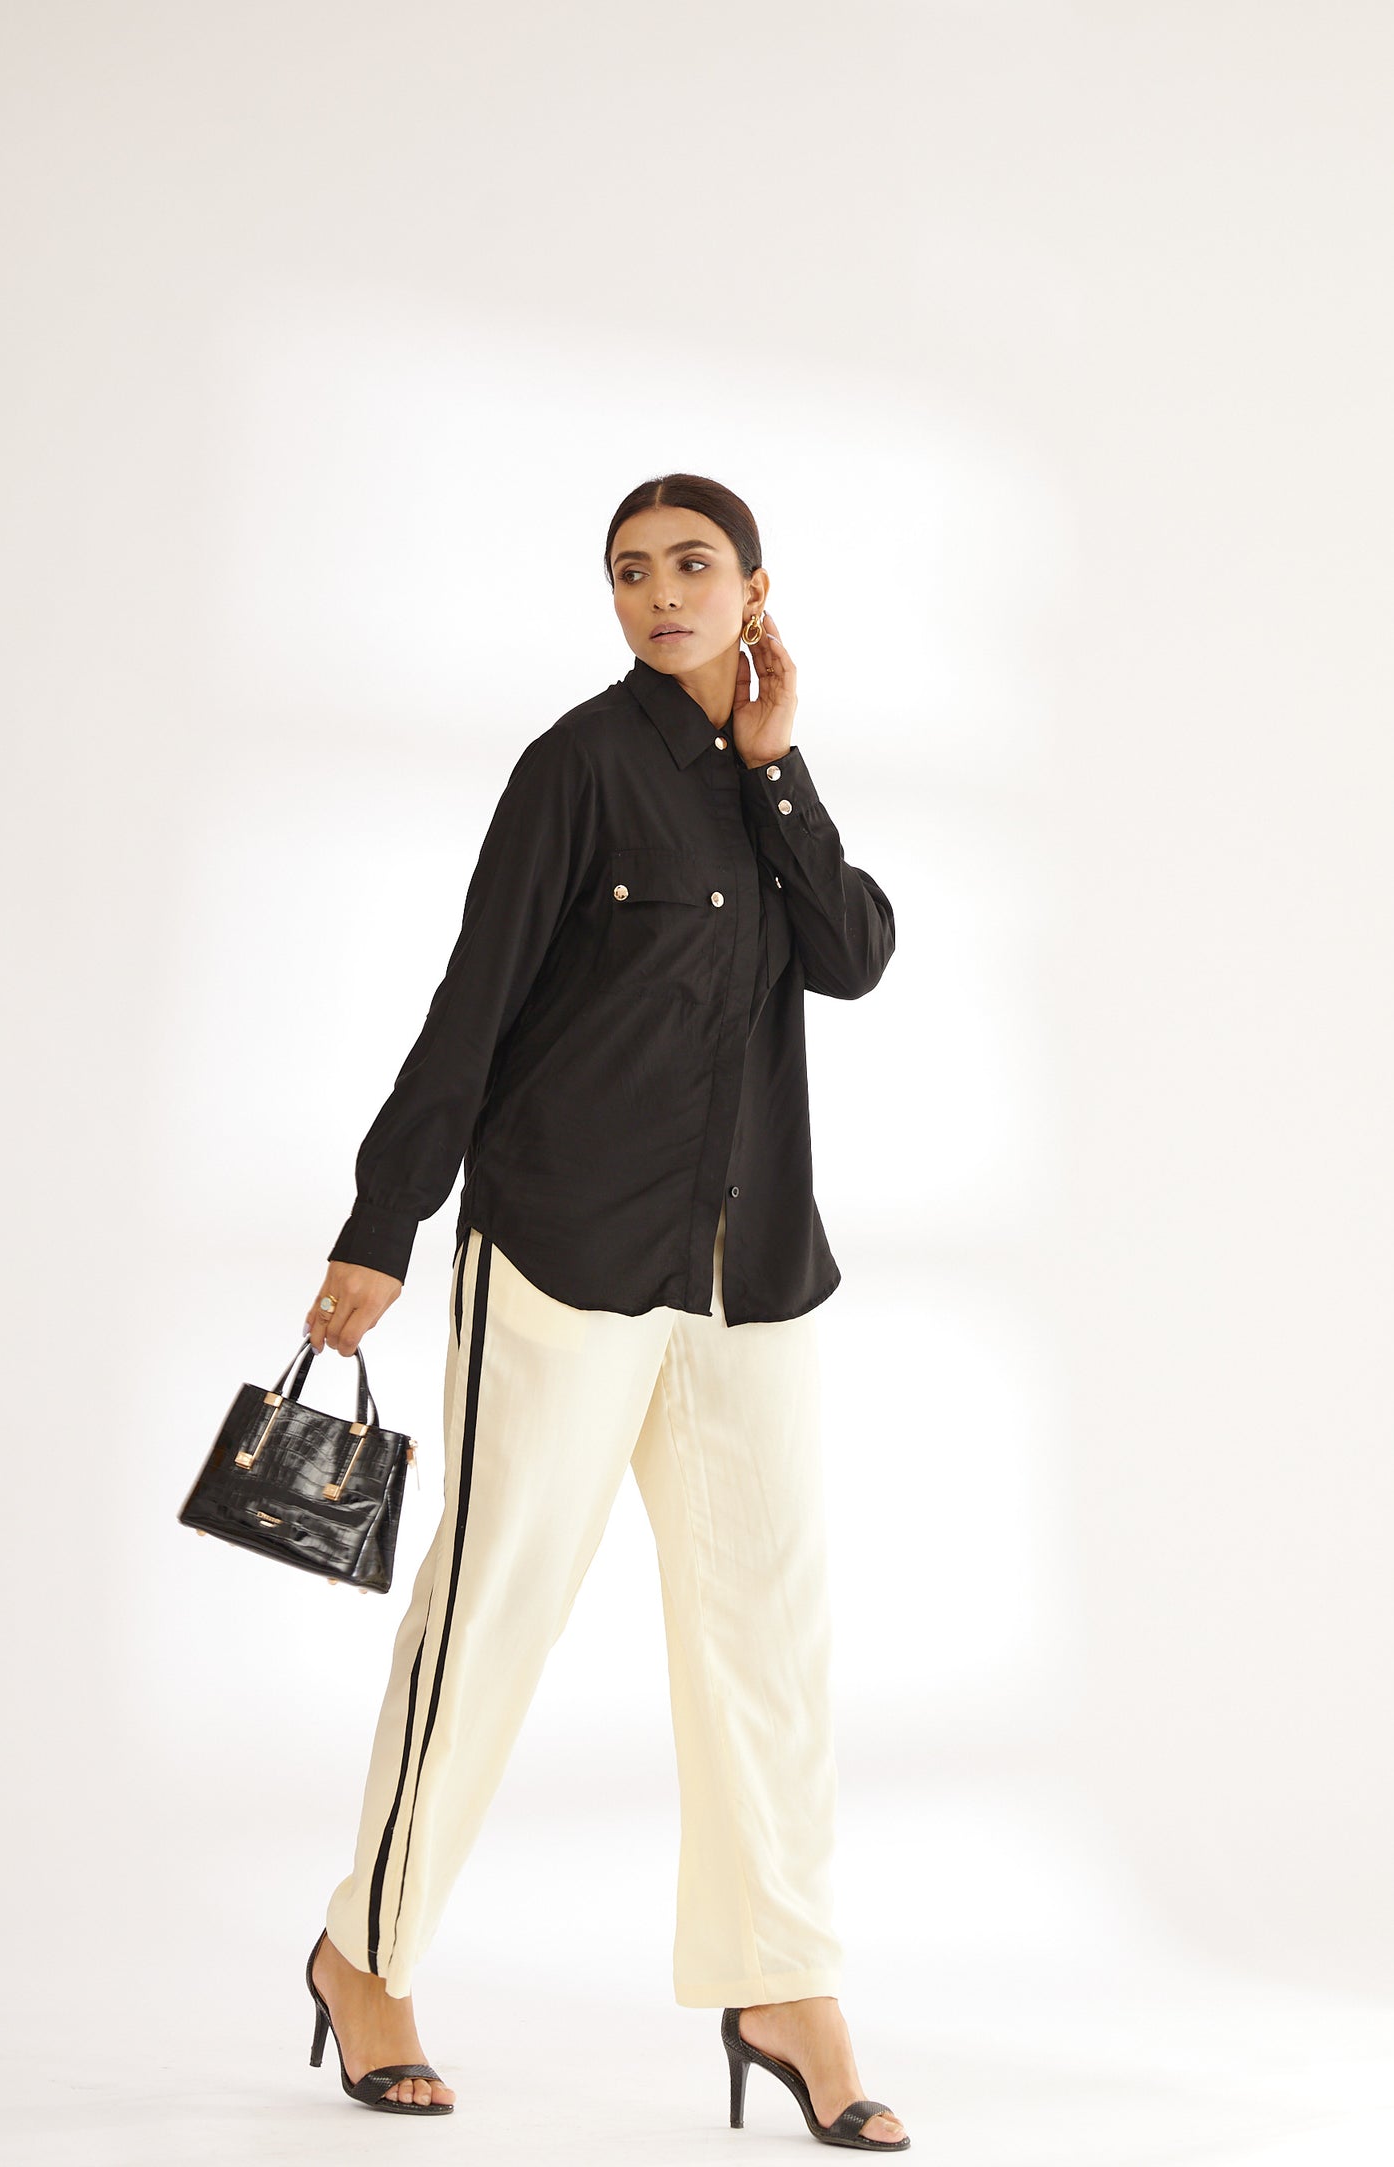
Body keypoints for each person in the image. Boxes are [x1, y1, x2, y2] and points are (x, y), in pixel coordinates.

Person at [299, 474, 906, 2149]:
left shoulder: (763, 776)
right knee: (491, 1609)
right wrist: (383, 1220)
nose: (660, 594)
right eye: (631, 571)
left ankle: (782, 1983)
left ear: (754, 589)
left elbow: (852, 953)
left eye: (692, 566)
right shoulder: (573, 765)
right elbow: (474, 999)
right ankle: (366, 1955)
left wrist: (778, 767)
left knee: (767, 1638)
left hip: (747, 1273)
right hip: (563, 1250)